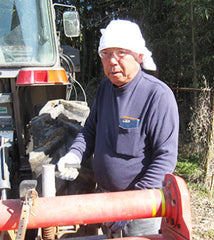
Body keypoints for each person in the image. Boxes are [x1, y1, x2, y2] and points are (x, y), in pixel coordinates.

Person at [57, 19, 179, 237]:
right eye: (105, 53)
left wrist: (130, 206)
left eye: (121, 52)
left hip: (140, 210)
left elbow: (165, 159)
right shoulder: (106, 88)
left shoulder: (157, 96)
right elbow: (90, 130)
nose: (112, 61)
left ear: (139, 56)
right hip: (106, 201)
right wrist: (74, 154)